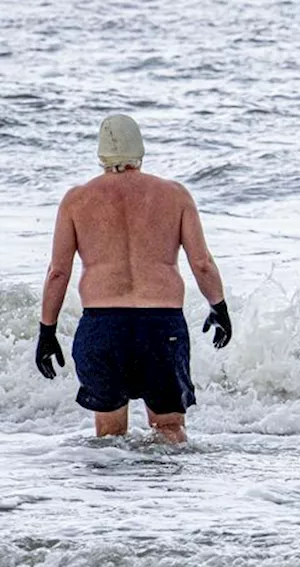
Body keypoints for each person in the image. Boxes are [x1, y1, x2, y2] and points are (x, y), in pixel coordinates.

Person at [35, 114, 232, 444]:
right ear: (140, 152)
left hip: (103, 326)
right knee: (170, 429)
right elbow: (202, 263)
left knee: (110, 437)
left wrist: (47, 330)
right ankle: (170, 495)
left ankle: (112, 496)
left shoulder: (76, 200)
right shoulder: (174, 195)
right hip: (161, 325)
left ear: (101, 155)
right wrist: (219, 307)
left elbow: (58, 272)